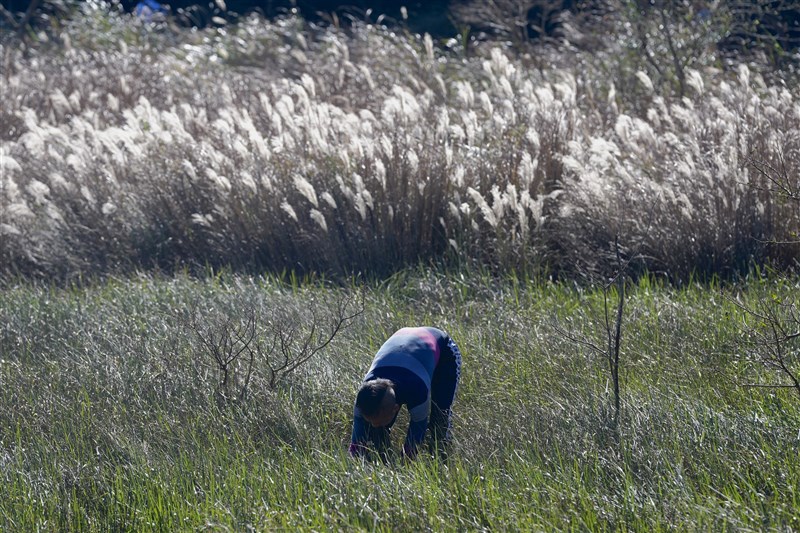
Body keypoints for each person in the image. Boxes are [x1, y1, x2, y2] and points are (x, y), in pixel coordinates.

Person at [349, 326, 462, 461]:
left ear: (396, 408)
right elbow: (355, 446)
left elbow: (417, 431)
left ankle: (442, 461)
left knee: (439, 420)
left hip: (443, 351)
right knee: (373, 432)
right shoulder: (364, 396)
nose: (374, 424)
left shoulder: (417, 390)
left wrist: (406, 461)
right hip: (405, 342)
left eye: (379, 421)